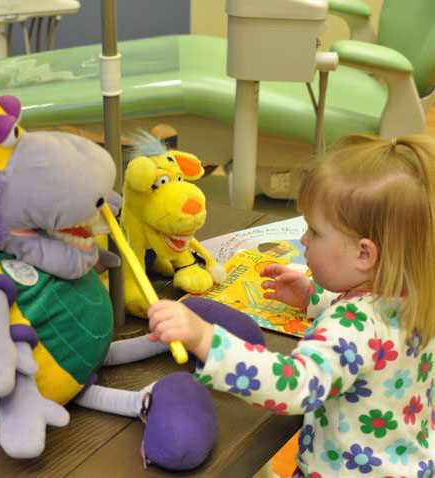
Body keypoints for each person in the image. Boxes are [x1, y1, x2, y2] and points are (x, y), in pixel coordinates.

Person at [147, 134, 435, 476]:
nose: (303, 240)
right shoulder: (417, 293)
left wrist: (205, 338)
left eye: (314, 232)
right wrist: (315, 295)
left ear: (364, 254)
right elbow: (374, 335)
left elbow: (297, 385)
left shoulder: (350, 324)